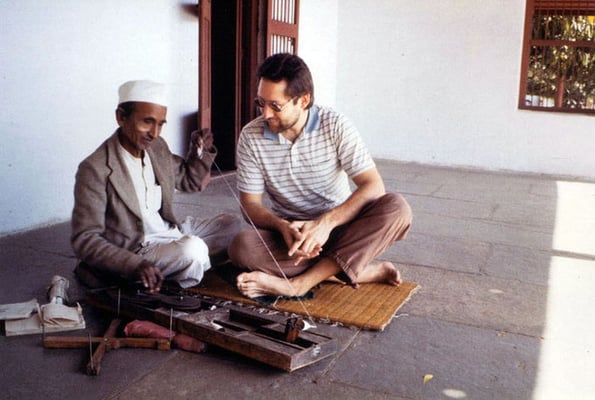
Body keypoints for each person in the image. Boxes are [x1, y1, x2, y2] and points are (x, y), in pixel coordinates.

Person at [228, 53, 412, 299]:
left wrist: (325, 224)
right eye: (261, 103)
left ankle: (299, 284)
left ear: (303, 100)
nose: (266, 114)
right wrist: (282, 226)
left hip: (341, 227)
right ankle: (355, 269)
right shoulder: (251, 137)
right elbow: (250, 204)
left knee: (398, 208)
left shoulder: (335, 125)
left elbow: (373, 186)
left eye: (276, 106)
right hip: (293, 238)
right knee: (242, 248)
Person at [71, 80, 240, 293]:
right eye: (147, 122)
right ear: (121, 117)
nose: (154, 132)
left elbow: (190, 181)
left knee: (231, 225)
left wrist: (199, 151)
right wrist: (135, 265)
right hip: (137, 250)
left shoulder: (156, 147)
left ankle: (177, 267)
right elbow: (85, 240)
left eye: (161, 124)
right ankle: (169, 269)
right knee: (194, 249)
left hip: (170, 232)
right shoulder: (95, 168)